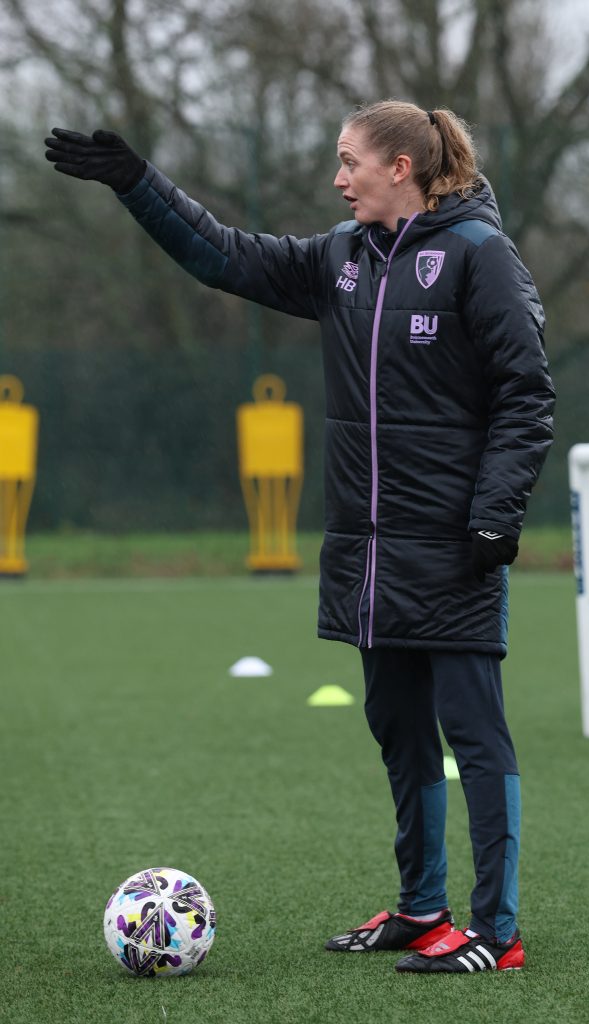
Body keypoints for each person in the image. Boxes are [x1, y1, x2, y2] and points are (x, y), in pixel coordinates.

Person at [45, 100, 554, 975]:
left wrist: (495, 514)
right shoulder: (341, 258)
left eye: (348, 159)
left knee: (474, 736)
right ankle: (422, 909)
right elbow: (222, 256)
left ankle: (496, 935)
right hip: (368, 553)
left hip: (455, 545)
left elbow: (526, 395)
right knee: (397, 730)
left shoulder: (480, 257)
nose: (336, 176)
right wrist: (137, 182)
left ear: (401, 167)